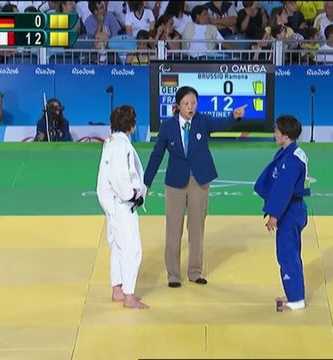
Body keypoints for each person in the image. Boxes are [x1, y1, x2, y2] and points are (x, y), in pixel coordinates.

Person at [143, 86, 247, 288]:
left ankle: (194, 271)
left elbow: (222, 124)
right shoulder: (167, 127)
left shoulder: (202, 120)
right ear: (178, 105)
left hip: (200, 181)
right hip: (175, 183)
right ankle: (173, 274)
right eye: (186, 104)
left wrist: (234, 117)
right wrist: (146, 182)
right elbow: (157, 156)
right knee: (173, 230)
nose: (191, 107)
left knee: (197, 228)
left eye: (194, 103)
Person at [254, 115, 310, 312]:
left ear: (286, 135)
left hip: (290, 210)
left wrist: (273, 215)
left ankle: (296, 300)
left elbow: (283, 189)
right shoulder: (290, 153)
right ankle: (293, 292)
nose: (274, 134)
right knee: (291, 252)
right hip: (293, 209)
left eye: (277, 131)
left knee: (287, 254)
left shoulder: (292, 160)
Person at [96, 105, 149, 309]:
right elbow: (119, 178)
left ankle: (117, 289)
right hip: (123, 204)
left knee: (118, 247)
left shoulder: (111, 142)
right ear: (131, 124)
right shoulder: (120, 146)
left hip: (113, 204)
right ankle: (128, 295)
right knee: (131, 249)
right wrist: (133, 195)